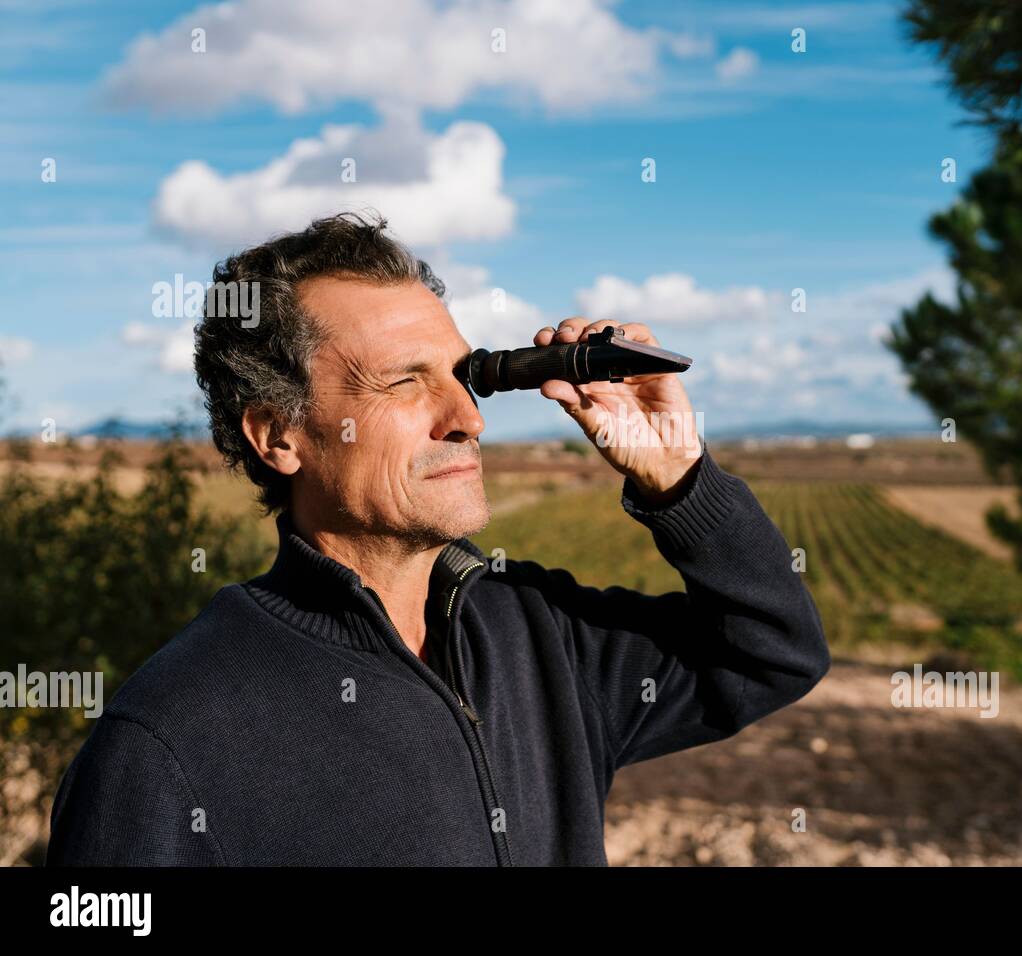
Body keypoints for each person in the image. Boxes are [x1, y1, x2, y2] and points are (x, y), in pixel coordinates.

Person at [46, 211, 830, 866]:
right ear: (279, 434)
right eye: (403, 382)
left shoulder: (539, 635)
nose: (468, 419)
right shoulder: (168, 742)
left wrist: (679, 477)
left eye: (463, 377)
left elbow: (771, 653)